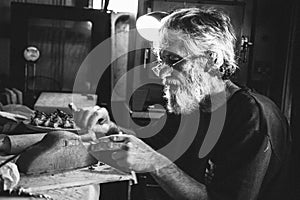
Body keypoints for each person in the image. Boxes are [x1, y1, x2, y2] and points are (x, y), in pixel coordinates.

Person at [74, 7, 292, 200]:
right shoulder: (191, 103)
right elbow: (152, 148)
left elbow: (155, 159)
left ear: (212, 60)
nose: (160, 72)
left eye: (173, 60)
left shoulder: (252, 116)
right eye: (161, 60)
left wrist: (156, 164)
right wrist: (111, 129)